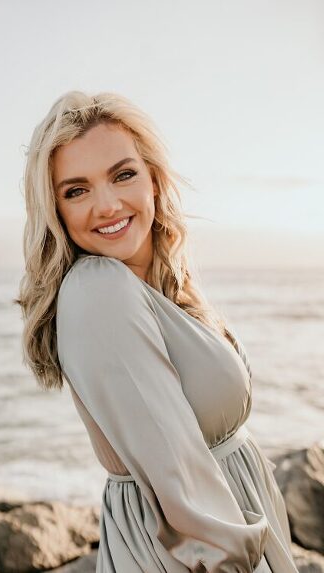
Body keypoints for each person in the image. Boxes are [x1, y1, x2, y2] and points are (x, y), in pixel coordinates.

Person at [17, 92, 298, 572]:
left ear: (153, 179)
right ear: (55, 210)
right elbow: (181, 487)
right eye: (76, 190)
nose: (106, 205)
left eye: (123, 175)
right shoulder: (98, 290)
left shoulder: (158, 284)